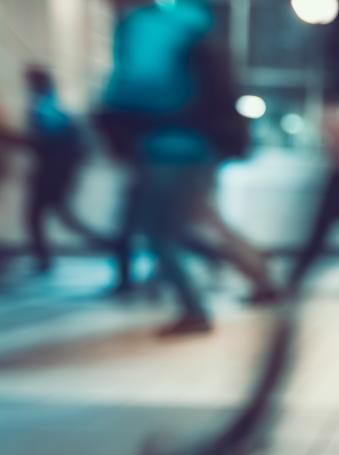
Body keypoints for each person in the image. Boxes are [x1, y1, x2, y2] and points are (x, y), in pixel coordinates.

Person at [99, 0, 251, 336]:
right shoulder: (190, 22)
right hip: (197, 146)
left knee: (161, 233)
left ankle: (195, 309)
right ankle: (208, 278)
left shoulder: (145, 26)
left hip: (167, 147)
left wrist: (110, 114)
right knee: (173, 228)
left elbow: (140, 87)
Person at [23, 67, 109, 273]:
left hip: (52, 173)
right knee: (55, 217)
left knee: (47, 216)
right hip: (56, 171)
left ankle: (109, 245)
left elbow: (45, 142)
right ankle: (107, 245)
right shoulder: (49, 105)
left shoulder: (43, 108)